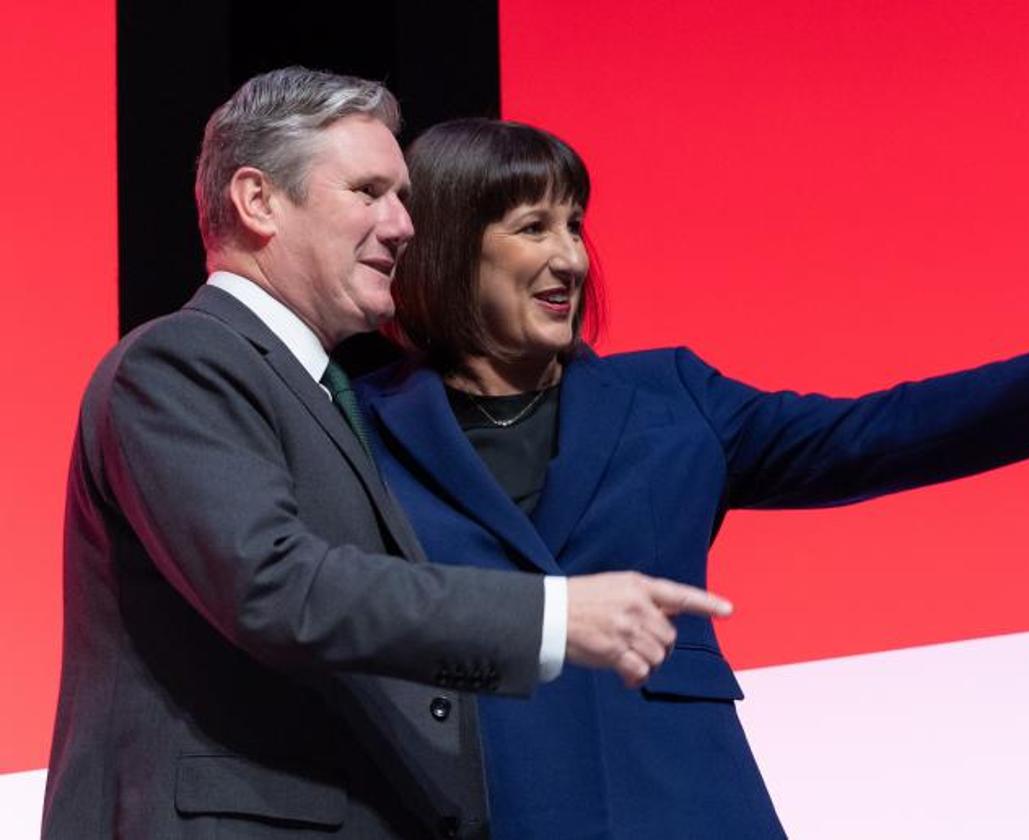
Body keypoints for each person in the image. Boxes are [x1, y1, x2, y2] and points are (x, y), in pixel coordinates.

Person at [355, 118, 1029, 839]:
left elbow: (876, 433)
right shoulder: (357, 424)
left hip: (680, 796)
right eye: (534, 227)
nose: (571, 257)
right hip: (469, 800)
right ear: (451, 247)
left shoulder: (669, 397)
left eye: (575, 225)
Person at [42, 70, 731, 840]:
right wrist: (554, 615)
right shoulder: (182, 362)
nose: (404, 225)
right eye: (369, 192)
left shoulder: (325, 392)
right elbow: (274, 588)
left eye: (402, 197)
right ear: (258, 200)